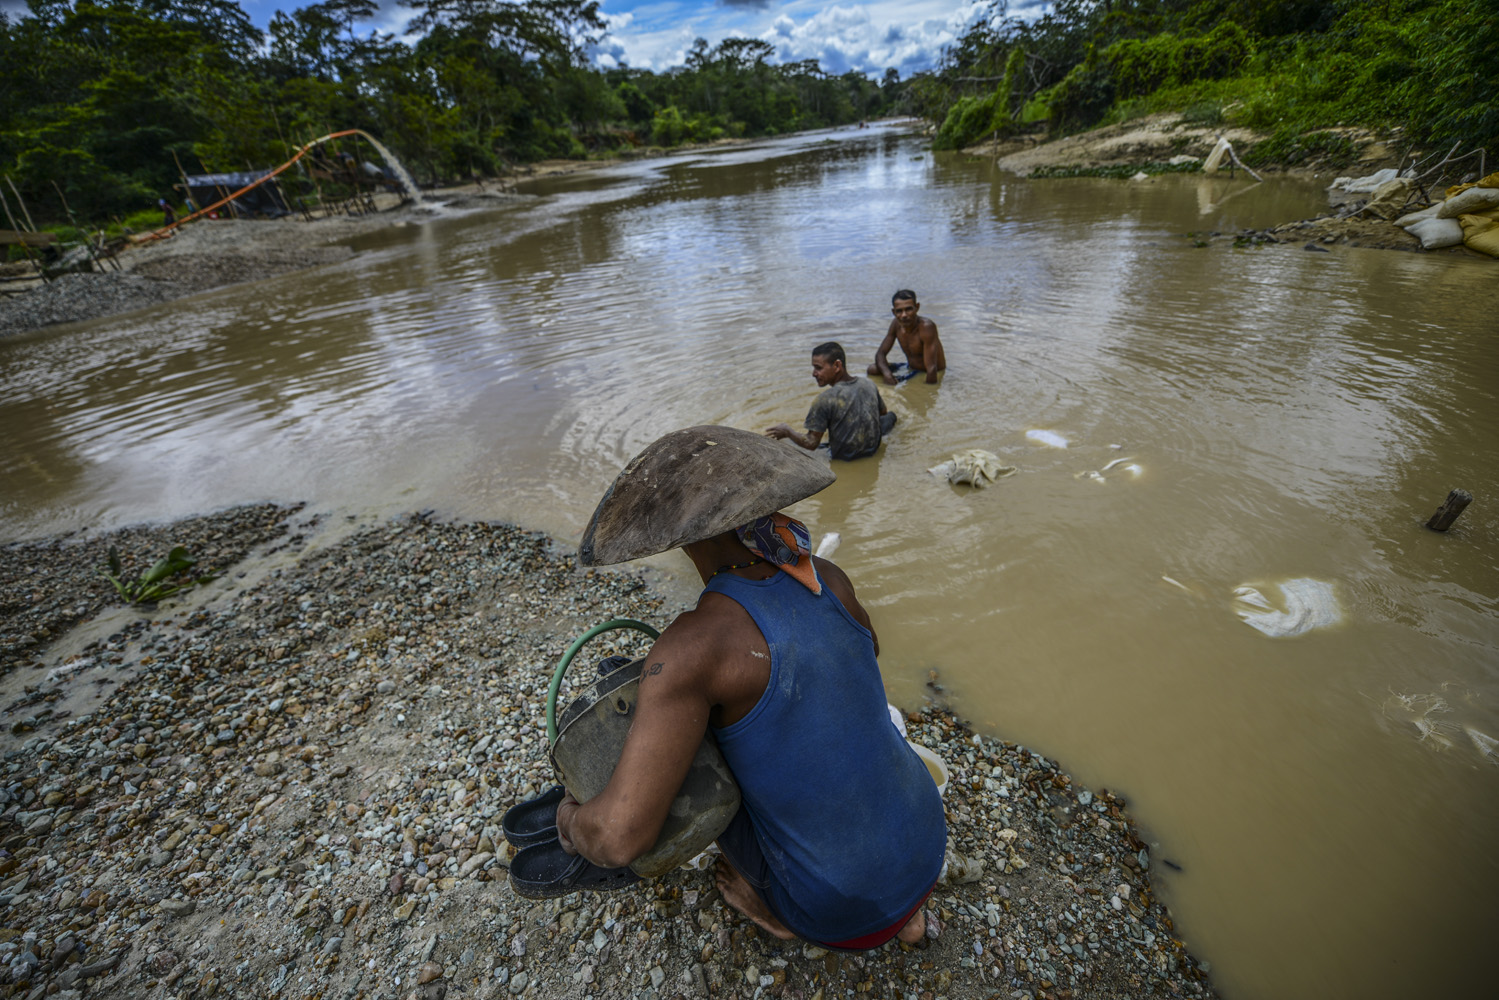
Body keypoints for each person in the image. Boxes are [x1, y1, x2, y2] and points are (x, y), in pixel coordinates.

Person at [558, 426, 947, 948]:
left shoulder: (692, 648)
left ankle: (777, 913)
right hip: (928, 844)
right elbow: (864, 658)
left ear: (684, 537)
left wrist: (571, 818)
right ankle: (911, 918)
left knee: (701, 769)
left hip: (838, 912)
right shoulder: (828, 577)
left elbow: (619, 837)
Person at [765, 342, 895, 461]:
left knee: (786, 444)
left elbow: (811, 443)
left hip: (845, 458)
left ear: (837, 366)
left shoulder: (825, 399)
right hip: (872, 451)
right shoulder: (868, 383)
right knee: (892, 417)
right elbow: (883, 413)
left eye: (818, 368)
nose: (813, 374)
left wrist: (788, 431)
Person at [868, 289, 946, 384]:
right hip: (910, 368)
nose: (904, 315)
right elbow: (880, 354)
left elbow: (932, 369)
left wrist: (928, 393)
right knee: (872, 369)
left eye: (908, 309)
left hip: (927, 372)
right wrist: (887, 375)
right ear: (893, 312)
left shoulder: (926, 327)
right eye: (899, 311)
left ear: (917, 307)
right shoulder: (896, 324)